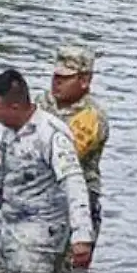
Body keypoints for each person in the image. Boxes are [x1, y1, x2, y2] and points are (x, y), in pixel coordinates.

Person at [0, 71, 94, 273]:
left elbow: (74, 182)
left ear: (15, 107)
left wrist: (81, 236)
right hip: (6, 223)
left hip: (40, 230)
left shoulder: (51, 134)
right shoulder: (9, 133)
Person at [40, 44, 107, 237]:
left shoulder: (92, 116)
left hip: (77, 202)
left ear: (84, 80)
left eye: (65, 78)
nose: (56, 83)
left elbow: (67, 158)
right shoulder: (41, 102)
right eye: (55, 76)